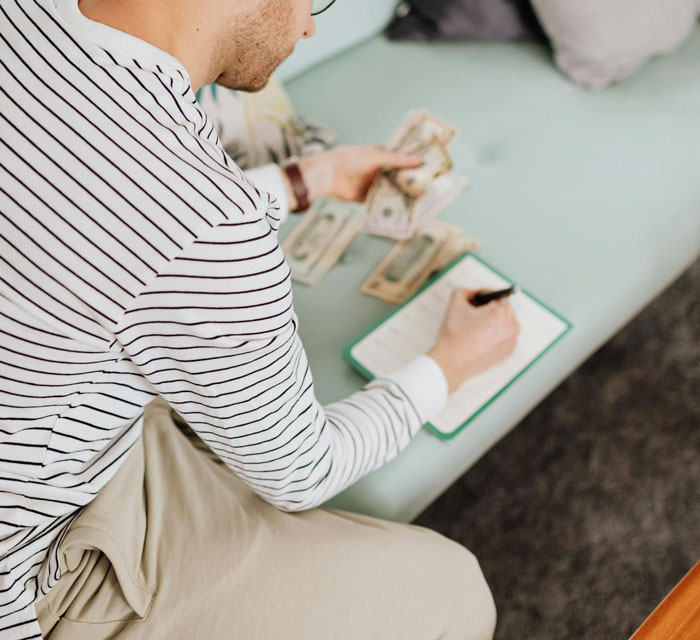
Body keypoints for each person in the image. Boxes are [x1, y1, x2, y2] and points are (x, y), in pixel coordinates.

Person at [0, 0, 520, 638]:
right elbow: (304, 472)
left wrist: (306, 178)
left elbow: (103, 207)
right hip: (37, 570)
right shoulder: (208, 223)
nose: (309, 26)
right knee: (453, 590)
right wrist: (449, 365)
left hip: (51, 433)